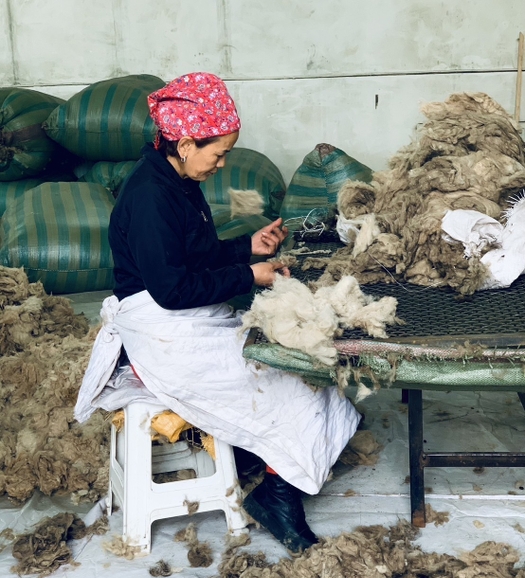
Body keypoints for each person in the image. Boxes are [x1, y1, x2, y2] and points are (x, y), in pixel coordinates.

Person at [75, 72, 360, 553]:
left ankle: (273, 459)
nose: (222, 162)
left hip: (186, 316)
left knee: (301, 364)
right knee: (289, 380)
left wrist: (247, 248)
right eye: (218, 152)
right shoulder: (150, 197)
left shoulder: (177, 181)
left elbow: (192, 255)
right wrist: (253, 276)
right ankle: (276, 496)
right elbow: (172, 288)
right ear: (185, 143)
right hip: (163, 330)